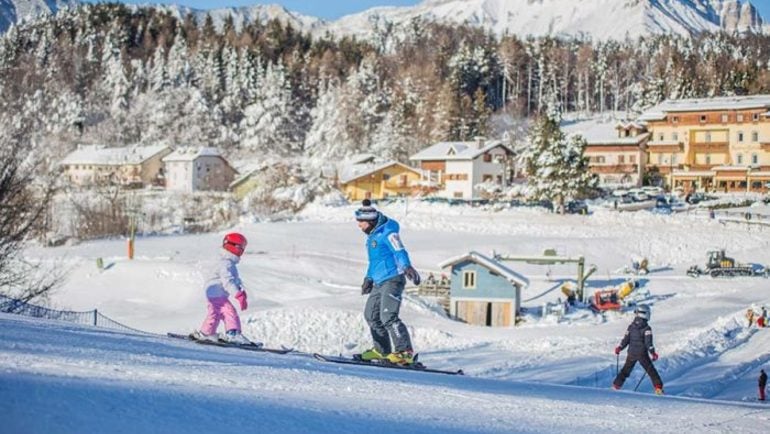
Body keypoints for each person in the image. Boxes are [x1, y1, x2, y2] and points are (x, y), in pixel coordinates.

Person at [355, 199, 421, 365]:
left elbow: (399, 250)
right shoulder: (372, 237)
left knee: (388, 317)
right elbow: (375, 261)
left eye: (361, 222)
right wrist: (368, 278)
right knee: (371, 315)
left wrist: (407, 266)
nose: (359, 226)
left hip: (393, 279)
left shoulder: (388, 232)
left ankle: (404, 352)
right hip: (378, 281)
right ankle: (382, 350)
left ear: (370, 221)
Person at [192, 232, 257, 346]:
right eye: (241, 247)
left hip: (212, 293)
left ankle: (206, 333)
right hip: (217, 293)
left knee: (215, 313)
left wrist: (241, 291)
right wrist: (238, 294)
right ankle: (233, 334)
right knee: (229, 312)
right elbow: (228, 281)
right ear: (235, 247)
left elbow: (232, 280)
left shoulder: (224, 262)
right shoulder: (227, 264)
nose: (242, 251)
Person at [612, 305, 664, 395]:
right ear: (644, 314)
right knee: (651, 371)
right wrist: (653, 353)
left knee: (625, 371)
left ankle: (615, 386)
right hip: (642, 354)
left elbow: (626, 340)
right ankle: (658, 388)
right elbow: (649, 344)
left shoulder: (631, 327)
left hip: (631, 353)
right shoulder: (647, 329)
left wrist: (619, 348)